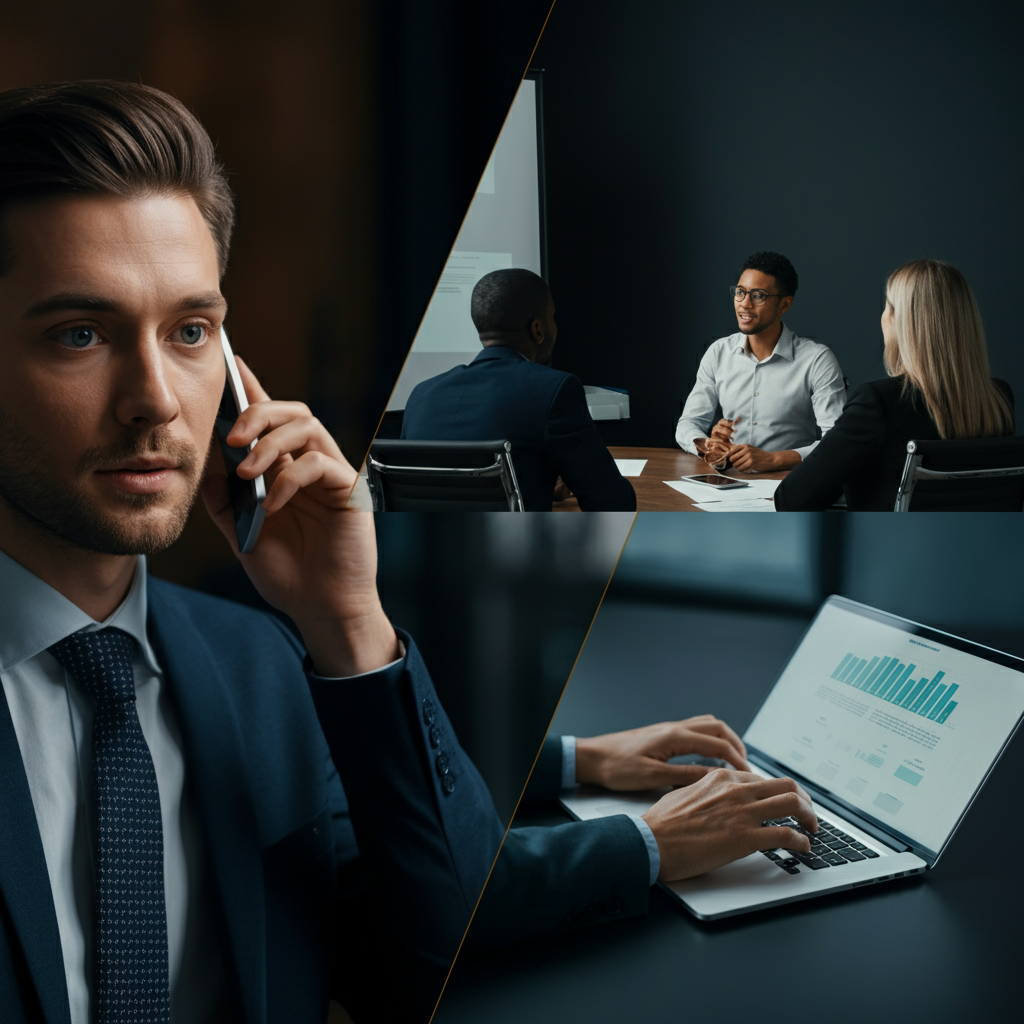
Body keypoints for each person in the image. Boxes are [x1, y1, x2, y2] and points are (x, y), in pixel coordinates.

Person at [0, 80, 815, 1023]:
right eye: (80, 334)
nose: (153, 398)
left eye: (189, 332)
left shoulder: (258, 662)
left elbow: (431, 938)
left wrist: (351, 622)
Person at [774, 259, 1015, 511]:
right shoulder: (999, 397)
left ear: (903, 322)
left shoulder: (877, 403)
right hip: (981, 548)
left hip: (888, 548)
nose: (883, 316)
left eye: (888, 306)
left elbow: (792, 500)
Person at [400, 268, 636, 511]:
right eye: (552, 318)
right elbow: (612, 503)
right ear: (538, 329)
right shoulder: (554, 389)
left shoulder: (421, 395)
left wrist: (533, 487)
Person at [675, 251, 846, 472]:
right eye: (740, 292)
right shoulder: (718, 352)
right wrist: (706, 446)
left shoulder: (817, 360)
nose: (744, 304)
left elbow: (837, 440)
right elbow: (688, 424)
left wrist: (775, 459)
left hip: (789, 486)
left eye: (758, 296)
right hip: (728, 481)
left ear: (784, 305)